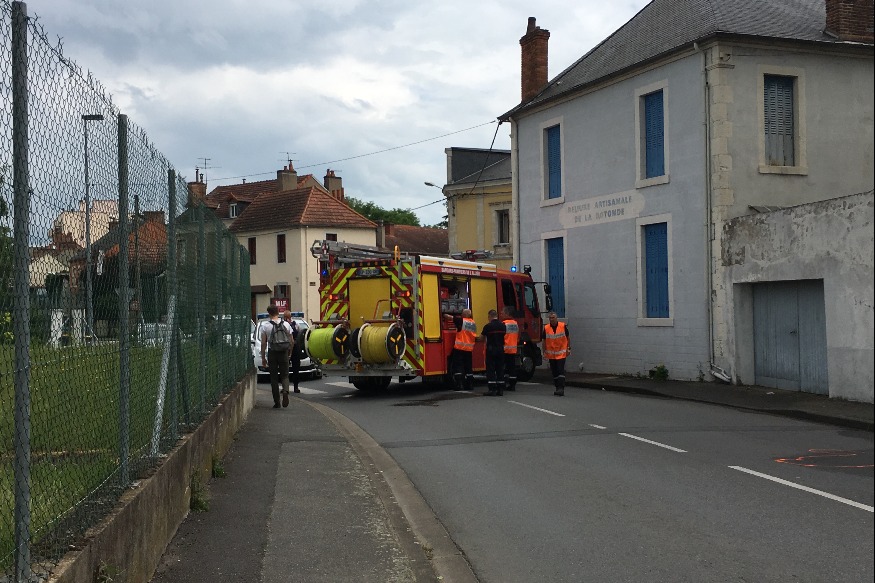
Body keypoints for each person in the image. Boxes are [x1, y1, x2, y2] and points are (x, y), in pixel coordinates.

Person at [260, 304, 292, 408]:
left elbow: (263, 343)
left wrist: (263, 358)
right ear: (278, 312)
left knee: (273, 378)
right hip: (283, 352)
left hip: (272, 352)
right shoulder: (286, 324)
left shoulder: (265, 326)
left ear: (269, 313)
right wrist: (289, 352)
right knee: (285, 375)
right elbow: (291, 340)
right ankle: (285, 391)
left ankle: (277, 402)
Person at [543, 312, 571, 396]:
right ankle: (557, 387)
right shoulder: (546, 328)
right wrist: (544, 351)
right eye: (550, 318)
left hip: (561, 353)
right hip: (551, 354)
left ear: (556, 318)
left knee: (560, 370)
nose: (552, 319)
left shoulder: (562, 326)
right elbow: (544, 341)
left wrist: (568, 348)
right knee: (554, 371)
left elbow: (568, 338)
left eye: (553, 317)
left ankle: (561, 388)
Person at [481, 309, 507, 396]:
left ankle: (492, 389)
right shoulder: (503, 326)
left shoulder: (488, 326)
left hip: (491, 350)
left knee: (491, 369)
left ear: (490, 316)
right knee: (500, 368)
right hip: (501, 349)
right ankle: (500, 389)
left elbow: (481, 337)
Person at [451, 308, 476, 390]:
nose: (461, 314)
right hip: (469, 349)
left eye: (462, 313)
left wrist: (444, 314)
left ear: (464, 315)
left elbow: (449, 317)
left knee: (458, 366)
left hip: (459, 349)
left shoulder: (461, 321)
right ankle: (470, 384)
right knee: (468, 367)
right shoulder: (473, 323)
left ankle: (459, 384)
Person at [283, 310, 303, 394]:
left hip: (288, 348)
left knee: (286, 369)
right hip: (292, 348)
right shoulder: (296, 324)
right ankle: (294, 387)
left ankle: (287, 387)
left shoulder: (284, 325)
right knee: (293, 369)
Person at [501, 306, 519, 391]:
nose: (501, 313)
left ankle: (504, 383)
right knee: (512, 368)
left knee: (503, 368)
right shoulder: (515, 324)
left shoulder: (504, 324)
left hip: (505, 349)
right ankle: (512, 385)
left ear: (507, 314)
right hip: (513, 349)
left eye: (503, 312)